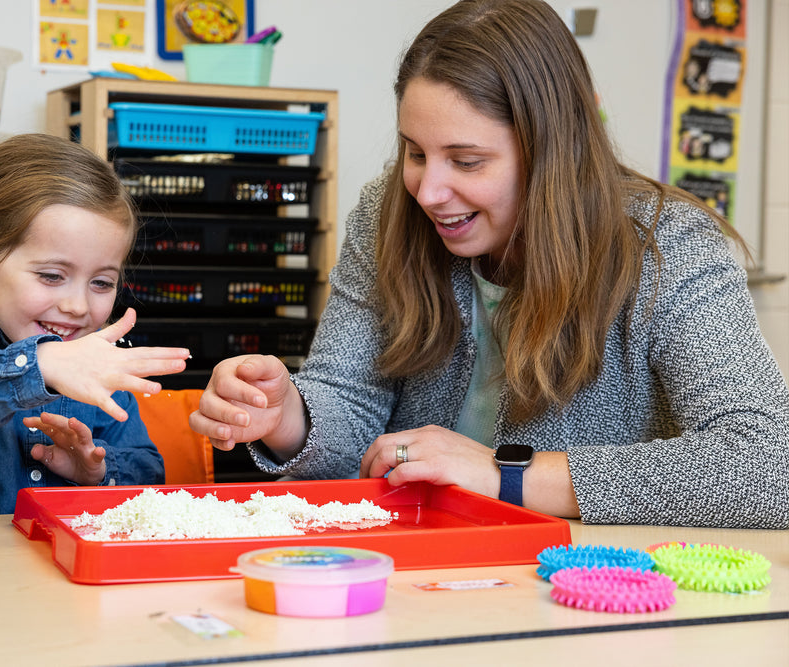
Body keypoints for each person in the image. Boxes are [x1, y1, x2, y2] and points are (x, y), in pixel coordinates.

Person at [189, 0, 789, 529]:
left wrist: (506, 476)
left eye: (468, 161)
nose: (428, 192)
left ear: (553, 151)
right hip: (417, 569)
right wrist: (289, 416)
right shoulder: (386, 213)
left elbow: (767, 463)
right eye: (415, 152)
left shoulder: (668, 245)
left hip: (580, 587)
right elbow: (349, 405)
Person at [0, 133, 192, 519]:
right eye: (51, 276)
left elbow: (148, 469)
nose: (77, 307)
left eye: (101, 283)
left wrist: (97, 471)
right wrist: (39, 366)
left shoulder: (95, 358)